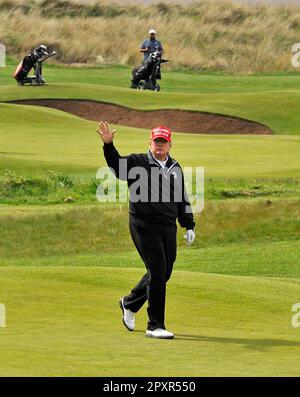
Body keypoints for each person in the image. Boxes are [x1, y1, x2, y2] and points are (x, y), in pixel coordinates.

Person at [97, 121, 196, 339]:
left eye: (163, 142)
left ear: (170, 145)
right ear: (149, 143)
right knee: (158, 270)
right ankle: (155, 325)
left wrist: (188, 224)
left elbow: (181, 197)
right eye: (156, 141)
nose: (159, 145)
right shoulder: (137, 162)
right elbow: (117, 166)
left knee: (164, 271)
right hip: (143, 225)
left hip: (168, 227)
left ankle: (129, 303)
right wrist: (108, 145)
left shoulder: (175, 167)